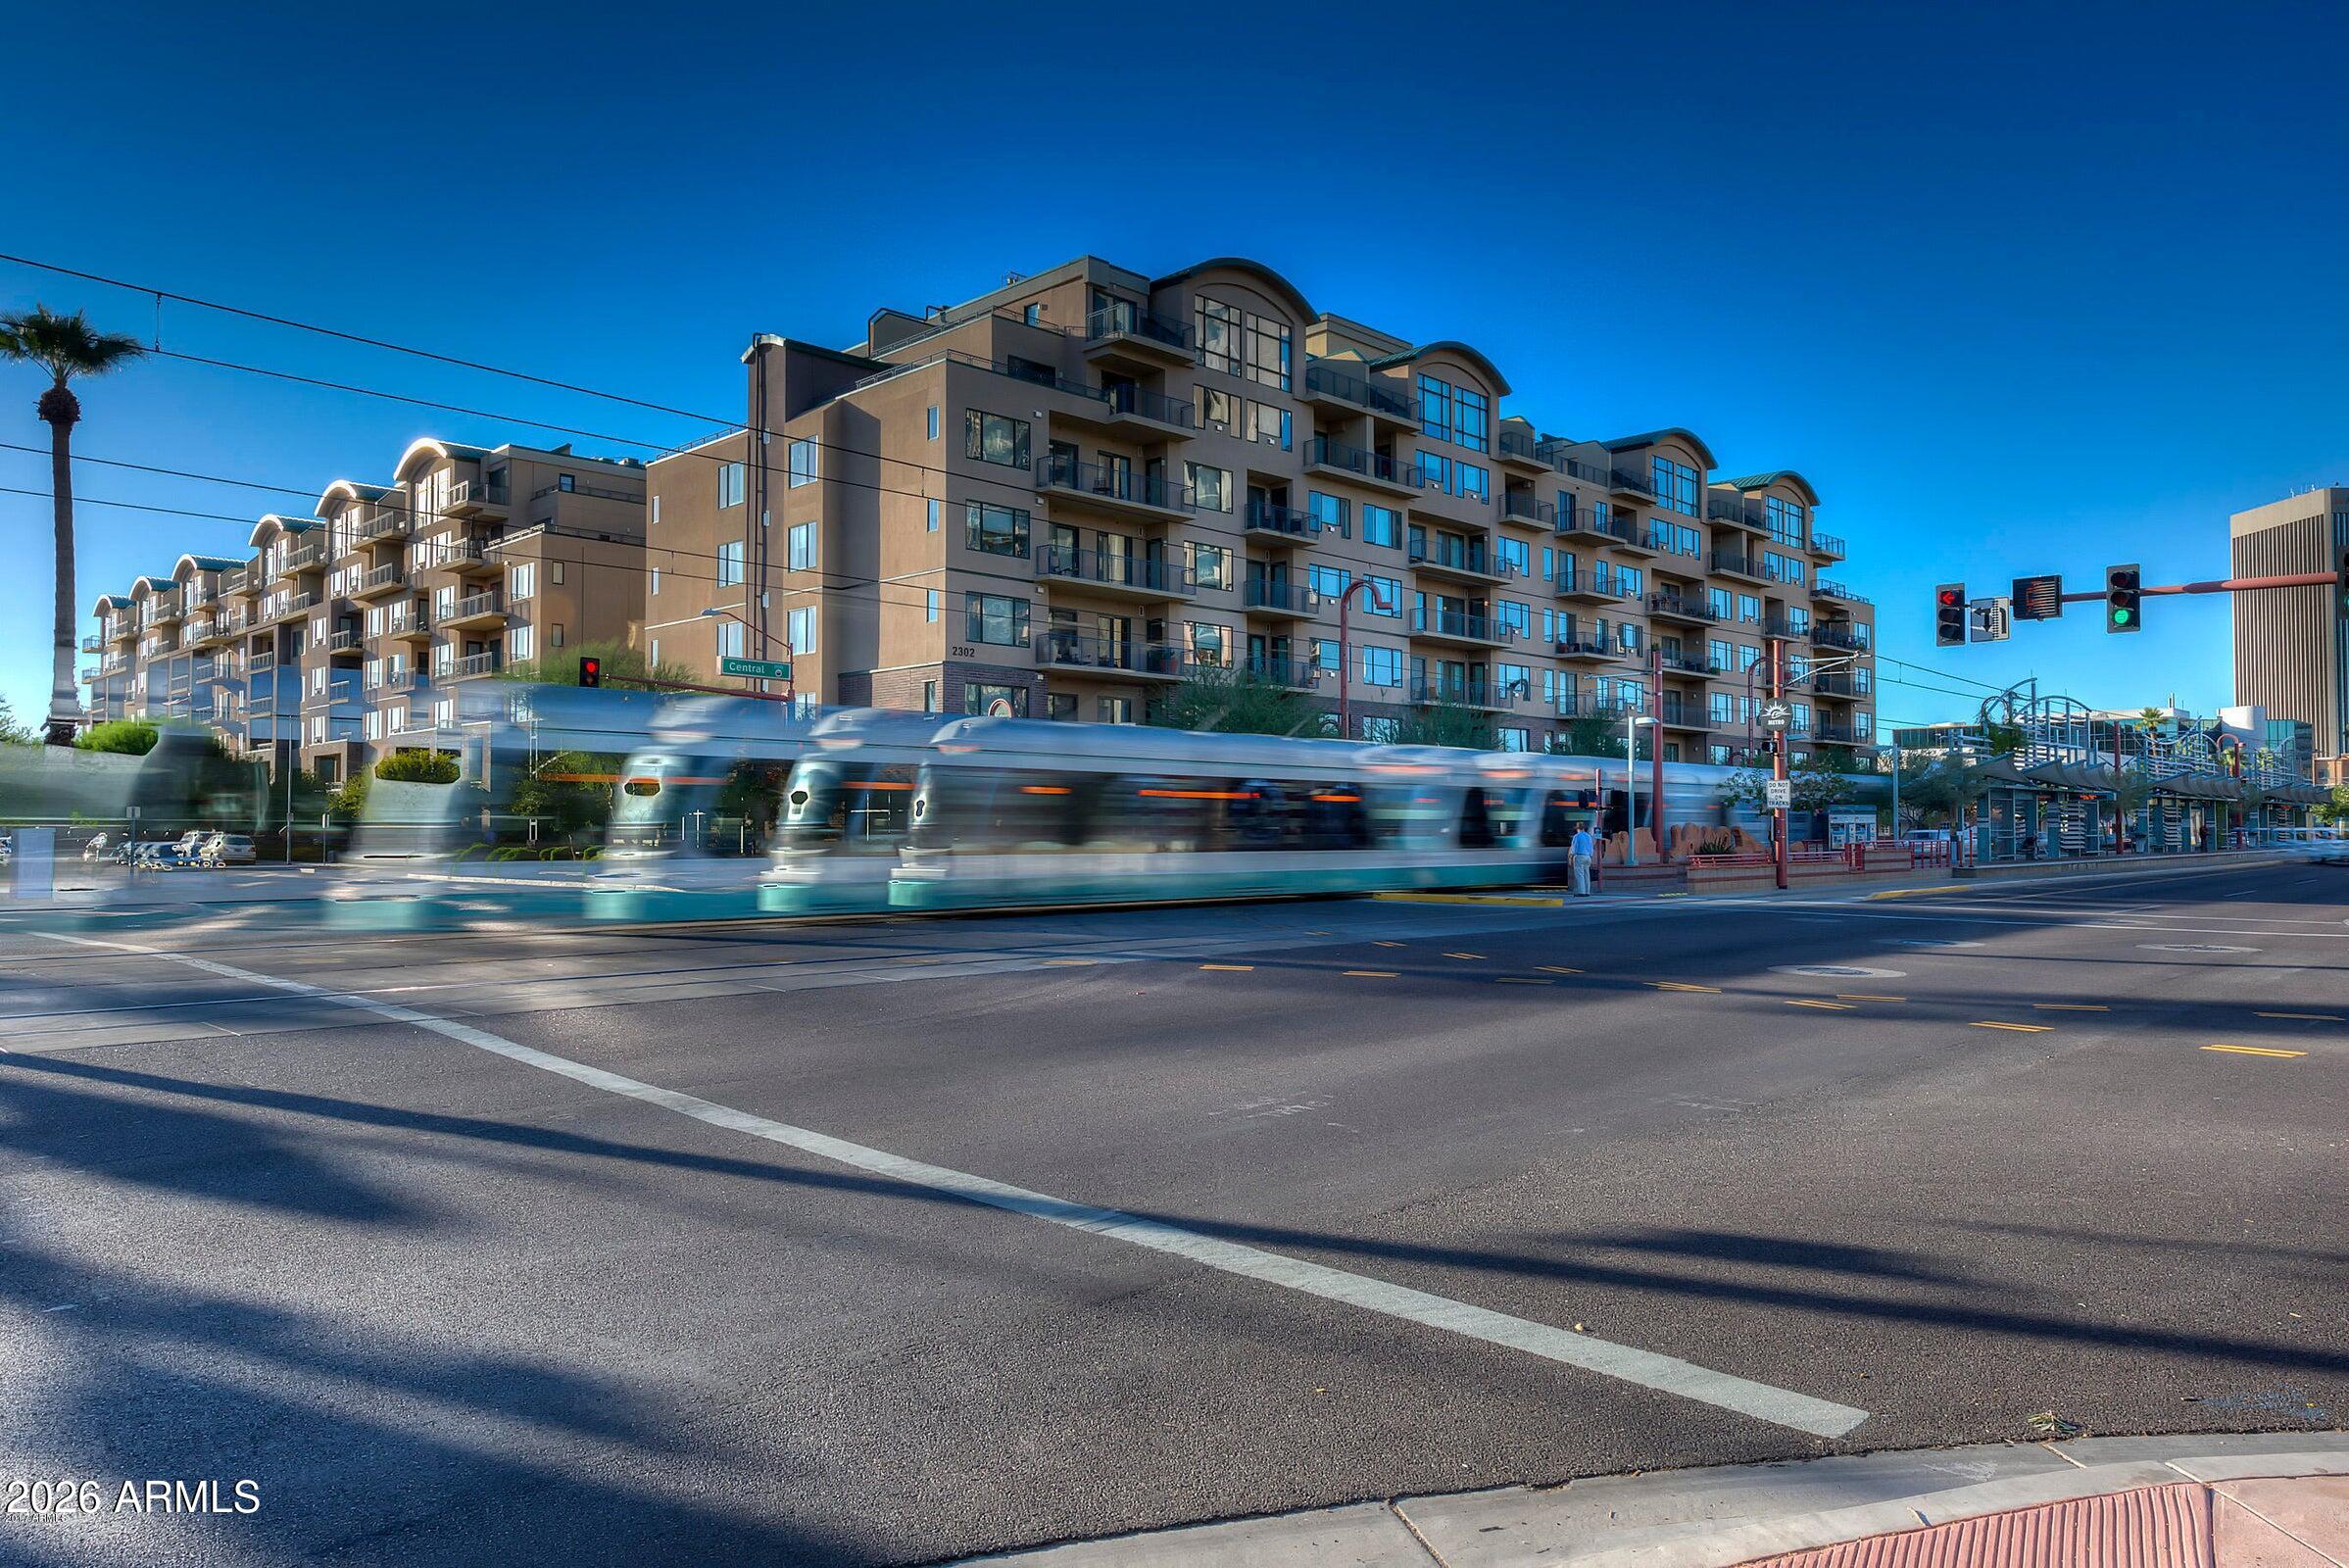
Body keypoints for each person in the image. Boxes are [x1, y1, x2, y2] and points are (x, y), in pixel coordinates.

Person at [1569, 822, 1595, 896]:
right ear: (1584, 828)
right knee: (1587, 875)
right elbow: (1591, 848)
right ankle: (1587, 892)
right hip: (1588, 857)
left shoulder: (1576, 836)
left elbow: (1574, 847)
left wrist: (1571, 856)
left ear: (1577, 829)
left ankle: (1581, 892)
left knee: (1580, 875)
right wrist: (1590, 855)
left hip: (1579, 856)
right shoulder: (1588, 836)